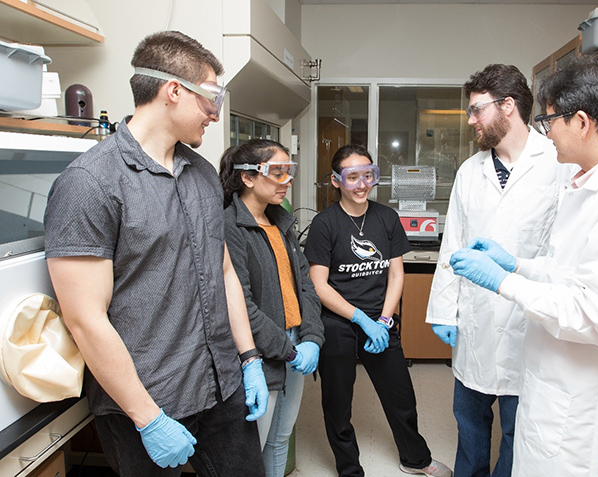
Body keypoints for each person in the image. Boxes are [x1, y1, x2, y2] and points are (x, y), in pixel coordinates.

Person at [43, 31, 269, 476]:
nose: (214, 113)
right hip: (147, 402)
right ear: (173, 91)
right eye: (211, 98)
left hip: (221, 386)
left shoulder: (202, 174)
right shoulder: (89, 183)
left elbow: (224, 272)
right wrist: (147, 417)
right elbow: (85, 318)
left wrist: (249, 358)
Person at [449, 55, 598, 476]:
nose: (546, 130)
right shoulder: (591, 182)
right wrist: (517, 265)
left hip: (586, 422)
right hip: (558, 392)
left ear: (582, 122)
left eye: (549, 120)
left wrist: (504, 282)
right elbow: (568, 274)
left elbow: (593, 313)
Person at [426, 64, 570, 477]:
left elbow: (565, 251)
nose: (470, 120)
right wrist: (442, 310)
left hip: (531, 320)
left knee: (519, 430)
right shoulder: (471, 172)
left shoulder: (557, 163)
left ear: (508, 106)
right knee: (469, 423)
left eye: (476, 110)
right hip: (476, 319)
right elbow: (452, 244)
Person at [304, 145, 452, 477]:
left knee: (401, 397)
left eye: (367, 175)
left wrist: (383, 321)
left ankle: (415, 458)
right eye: (351, 176)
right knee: (338, 405)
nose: (361, 184)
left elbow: (396, 273)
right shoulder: (325, 224)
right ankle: (350, 470)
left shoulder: (386, 218)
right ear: (336, 180)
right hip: (339, 323)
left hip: (380, 321)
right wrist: (360, 319)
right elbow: (319, 284)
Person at [219, 139, 325, 477]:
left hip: (295, 341)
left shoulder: (281, 221)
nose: (287, 180)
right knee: (253, 448)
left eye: (288, 171)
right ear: (248, 178)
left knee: (280, 438)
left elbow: (305, 285)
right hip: (261, 350)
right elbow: (241, 305)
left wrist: (311, 337)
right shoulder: (230, 227)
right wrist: (289, 352)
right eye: (277, 173)